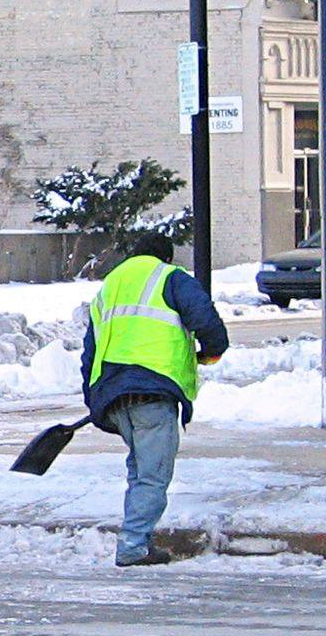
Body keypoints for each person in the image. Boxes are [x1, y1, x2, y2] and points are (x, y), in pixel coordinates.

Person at [81, 232, 227, 567]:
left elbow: (90, 351)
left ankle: (140, 538)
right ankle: (133, 546)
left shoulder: (109, 286)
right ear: (166, 257)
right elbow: (203, 316)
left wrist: (93, 399)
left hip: (115, 396)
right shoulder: (169, 277)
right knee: (152, 475)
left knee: (140, 471)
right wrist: (213, 350)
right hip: (152, 393)